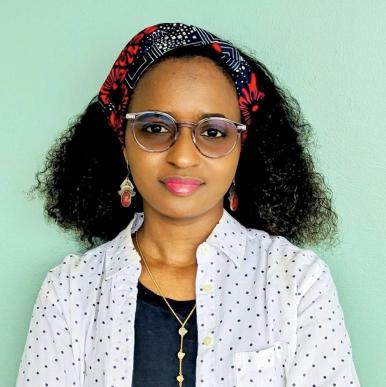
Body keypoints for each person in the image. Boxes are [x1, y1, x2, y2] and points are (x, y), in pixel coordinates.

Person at [16, 23, 360, 386]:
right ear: (123, 142)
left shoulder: (296, 282)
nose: (182, 156)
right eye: (154, 127)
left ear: (242, 148)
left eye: (213, 132)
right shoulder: (71, 290)